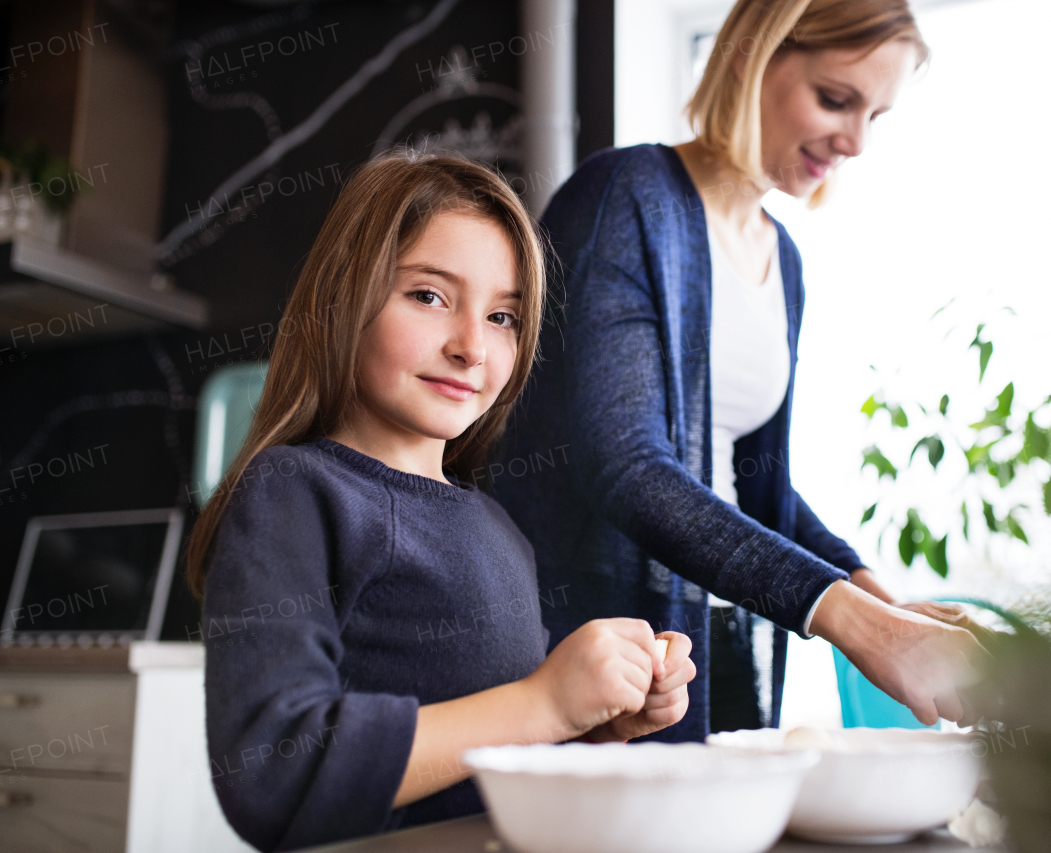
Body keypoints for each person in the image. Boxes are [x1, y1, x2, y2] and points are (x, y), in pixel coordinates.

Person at [493, 0, 983, 740]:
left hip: (726, 634)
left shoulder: (779, 258)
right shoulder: (624, 200)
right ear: (752, 56)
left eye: (874, 116)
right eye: (835, 99)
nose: (852, 142)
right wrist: (854, 622)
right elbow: (625, 465)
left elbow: (755, 482)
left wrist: (876, 598)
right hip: (603, 650)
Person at [184, 151, 696, 852]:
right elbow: (273, 770)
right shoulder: (291, 492)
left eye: (503, 317)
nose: (471, 347)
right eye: (429, 295)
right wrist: (541, 703)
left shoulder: (498, 528)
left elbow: (487, 740)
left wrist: (592, 721)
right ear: (345, 296)